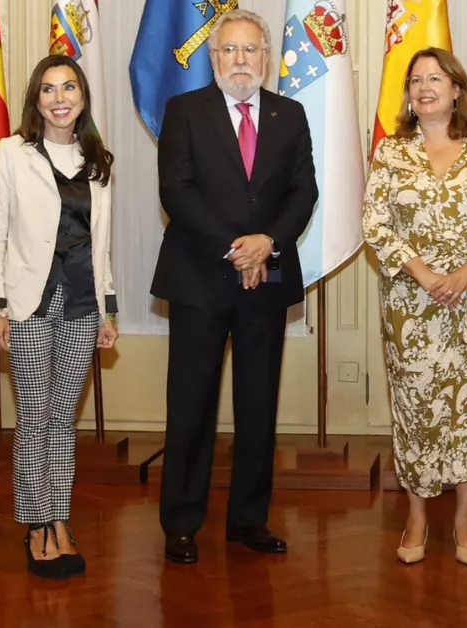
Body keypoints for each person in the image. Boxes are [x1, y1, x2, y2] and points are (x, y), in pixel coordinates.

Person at [153, 9, 318, 565]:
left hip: (265, 280)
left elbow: (304, 192)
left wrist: (266, 242)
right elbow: (177, 191)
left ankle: (249, 520)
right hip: (200, 277)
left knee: (257, 405)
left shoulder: (289, 114)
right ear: (213, 57)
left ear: (267, 60)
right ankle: (181, 523)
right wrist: (239, 245)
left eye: (251, 51)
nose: (240, 60)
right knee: (191, 405)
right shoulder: (184, 111)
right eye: (230, 51)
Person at [362, 47, 467, 567]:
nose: (424, 87)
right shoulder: (392, 152)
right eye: (416, 80)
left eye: (436, 78)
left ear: (457, 89)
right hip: (411, 303)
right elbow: (376, 226)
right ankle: (417, 515)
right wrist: (427, 275)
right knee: (416, 410)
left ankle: (464, 517)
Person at [0, 54, 119, 580]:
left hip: (83, 305)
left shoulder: (99, 159)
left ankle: (60, 519)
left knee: (63, 422)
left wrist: (108, 308)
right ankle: (35, 524)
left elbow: (103, 244)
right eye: (48, 90)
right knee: (34, 419)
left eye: (69, 88)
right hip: (30, 304)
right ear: (35, 100)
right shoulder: (12, 153)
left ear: (83, 97)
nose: (59, 98)